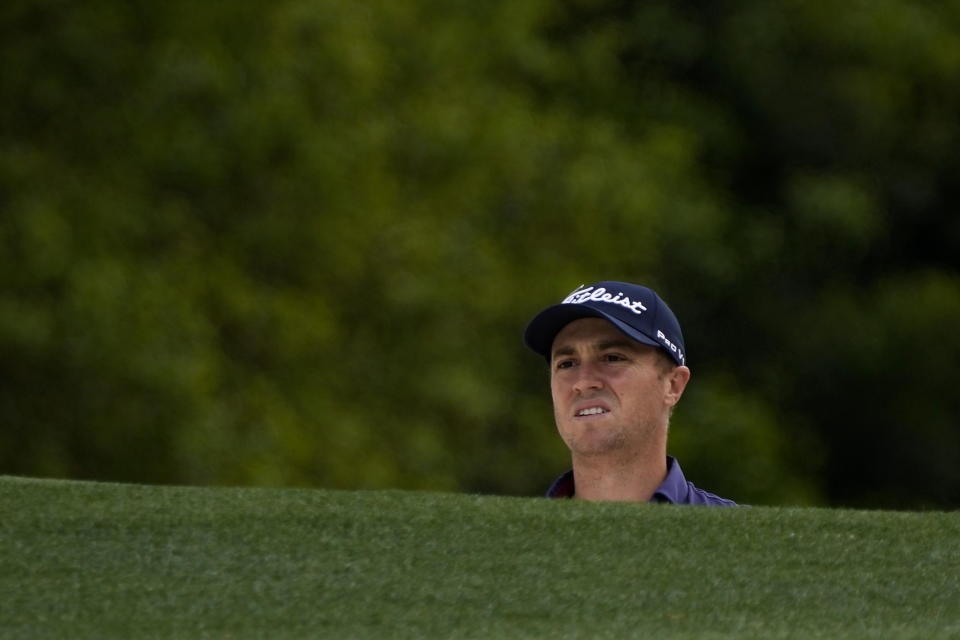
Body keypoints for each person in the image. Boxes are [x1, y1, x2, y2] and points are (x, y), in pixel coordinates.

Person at [523, 281, 736, 505]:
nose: (583, 382)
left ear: (673, 385)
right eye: (567, 364)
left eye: (612, 358)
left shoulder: (742, 535)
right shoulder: (511, 538)